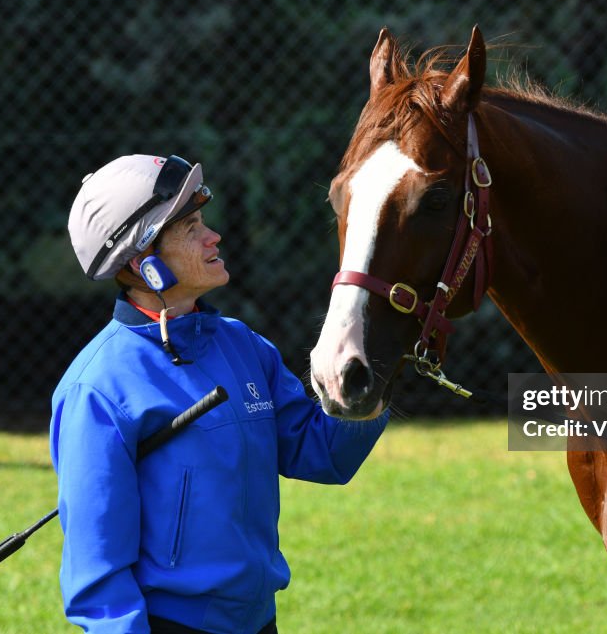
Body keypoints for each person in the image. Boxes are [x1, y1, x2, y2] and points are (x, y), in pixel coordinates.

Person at [51, 154, 388, 634]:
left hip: (258, 622)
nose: (213, 237)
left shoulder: (243, 345)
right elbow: (98, 582)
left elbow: (324, 454)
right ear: (142, 263)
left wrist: (379, 368)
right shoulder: (96, 389)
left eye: (203, 221)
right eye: (190, 228)